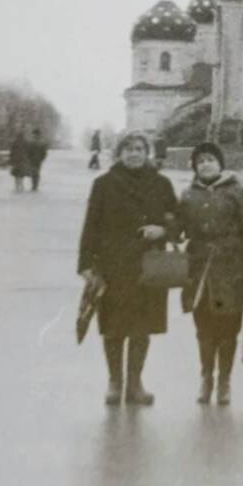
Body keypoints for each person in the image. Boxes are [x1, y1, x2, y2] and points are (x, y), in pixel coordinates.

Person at [77, 131, 178, 406]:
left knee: (142, 327)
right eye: (128, 149)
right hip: (113, 265)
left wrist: (163, 230)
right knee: (113, 325)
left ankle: (135, 384)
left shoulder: (161, 184)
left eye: (139, 149)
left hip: (149, 264)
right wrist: (85, 265)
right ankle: (115, 382)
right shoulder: (103, 184)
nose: (134, 153)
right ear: (119, 153)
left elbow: (178, 220)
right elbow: (91, 225)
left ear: (147, 153)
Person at [175, 142, 243, 407]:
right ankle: (206, 378)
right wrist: (166, 227)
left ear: (220, 164)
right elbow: (177, 227)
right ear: (195, 167)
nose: (205, 164)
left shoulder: (238, 193)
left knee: (228, 328)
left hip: (232, 271)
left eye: (210, 160)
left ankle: (224, 381)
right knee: (204, 328)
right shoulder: (188, 195)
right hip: (199, 272)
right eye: (200, 161)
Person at [27, 128, 48, 192]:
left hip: (34, 160)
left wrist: (29, 158)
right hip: (37, 160)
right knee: (36, 172)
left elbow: (28, 151)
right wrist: (41, 159)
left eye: (34, 134)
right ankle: (35, 185)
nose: (34, 135)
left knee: (34, 172)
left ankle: (34, 186)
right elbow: (44, 153)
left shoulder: (32, 142)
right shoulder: (41, 143)